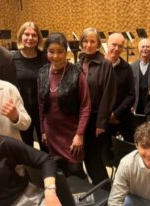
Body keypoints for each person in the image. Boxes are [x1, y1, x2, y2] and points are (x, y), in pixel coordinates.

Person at [38, 32, 91, 178]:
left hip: (71, 133)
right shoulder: (42, 72)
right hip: (51, 132)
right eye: (51, 52)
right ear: (46, 52)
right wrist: (43, 130)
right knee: (59, 171)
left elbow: (85, 106)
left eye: (60, 51)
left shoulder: (76, 73)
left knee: (75, 171)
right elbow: (41, 104)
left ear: (66, 51)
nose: (55, 56)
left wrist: (79, 135)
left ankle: (81, 199)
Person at [78, 27, 116, 186]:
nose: (88, 44)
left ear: (98, 44)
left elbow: (109, 95)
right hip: (80, 118)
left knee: (95, 157)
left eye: (92, 41)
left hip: (95, 118)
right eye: (85, 41)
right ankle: (93, 187)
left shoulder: (105, 64)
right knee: (84, 154)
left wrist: (101, 122)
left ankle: (105, 190)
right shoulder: (79, 63)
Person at [13, 21, 48, 150]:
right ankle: (30, 170)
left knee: (46, 145)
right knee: (26, 145)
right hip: (22, 108)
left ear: (38, 38)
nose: (30, 38)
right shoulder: (12, 58)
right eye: (26, 34)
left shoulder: (45, 58)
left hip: (43, 109)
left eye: (34, 35)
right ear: (21, 36)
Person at [104, 32, 135, 142]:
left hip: (122, 119)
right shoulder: (98, 65)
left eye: (120, 46)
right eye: (114, 44)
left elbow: (131, 95)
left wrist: (115, 114)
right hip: (101, 120)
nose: (117, 49)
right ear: (107, 44)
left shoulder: (126, 68)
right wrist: (107, 116)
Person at [131, 38, 150, 115]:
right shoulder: (133, 66)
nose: (145, 49)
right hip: (137, 106)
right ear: (138, 49)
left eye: (147, 47)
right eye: (142, 46)